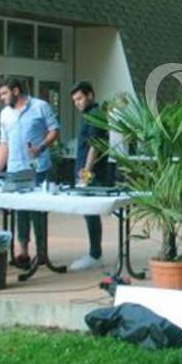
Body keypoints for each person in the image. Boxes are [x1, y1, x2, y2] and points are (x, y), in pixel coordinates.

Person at [0, 76, 60, 267]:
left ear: (15, 91)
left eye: (4, 93)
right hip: (15, 169)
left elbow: (54, 130)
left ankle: (42, 252)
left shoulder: (41, 106)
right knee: (20, 211)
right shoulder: (5, 114)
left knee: (38, 212)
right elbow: (3, 142)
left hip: (38, 168)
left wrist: (41, 146)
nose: (2, 98)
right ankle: (22, 252)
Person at [68, 80, 111, 272]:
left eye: (79, 98)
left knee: (91, 213)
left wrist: (86, 173)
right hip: (86, 171)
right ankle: (95, 253)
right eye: (74, 100)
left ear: (90, 95)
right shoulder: (90, 114)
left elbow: (94, 145)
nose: (77, 103)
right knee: (89, 214)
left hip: (91, 174)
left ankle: (95, 255)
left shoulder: (95, 114)